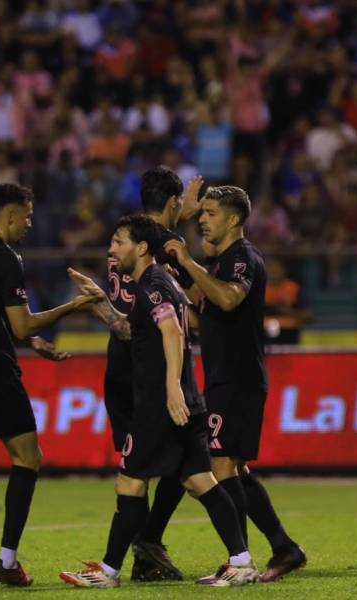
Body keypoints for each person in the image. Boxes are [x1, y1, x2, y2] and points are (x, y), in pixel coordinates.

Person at [60, 215, 259, 588]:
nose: (111, 248)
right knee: (200, 480)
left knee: (130, 484)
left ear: (140, 248)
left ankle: (107, 572)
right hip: (184, 404)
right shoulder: (153, 285)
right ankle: (242, 561)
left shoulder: (153, 283)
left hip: (161, 406)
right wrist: (100, 302)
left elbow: (171, 331)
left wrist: (171, 389)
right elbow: (128, 329)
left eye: (118, 241)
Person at [0, 183, 99, 590]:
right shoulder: (6, 257)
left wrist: (29, 341)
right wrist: (75, 306)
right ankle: (7, 561)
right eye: (26, 216)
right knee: (28, 458)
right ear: (8, 215)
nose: (29, 224)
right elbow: (21, 321)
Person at [163, 186, 306, 582]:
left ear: (234, 220)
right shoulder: (222, 261)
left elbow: (226, 299)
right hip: (225, 376)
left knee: (222, 466)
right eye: (202, 213)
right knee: (235, 469)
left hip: (238, 377)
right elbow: (202, 308)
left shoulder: (243, 257)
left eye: (209, 213)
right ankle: (283, 548)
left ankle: (240, 561)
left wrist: (188, 263)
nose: (203, 219)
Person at [72, 167, 203, 582]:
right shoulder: (168, 246)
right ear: (173, 202)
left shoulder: (124, 241)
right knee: (181, 466)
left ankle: (138, 553)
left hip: (120, 367)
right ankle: (148, 546)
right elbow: (192, 305)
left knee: (138, 469)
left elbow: (124, 317)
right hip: (158, 371)